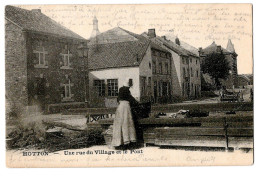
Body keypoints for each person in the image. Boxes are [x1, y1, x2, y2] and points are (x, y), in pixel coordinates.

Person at [111, 78, 139, 149]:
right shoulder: (126, 90)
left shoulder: (121, 90)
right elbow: (131, 99)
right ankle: (127, 142)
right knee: (126, 123)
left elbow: (118, 99)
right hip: (126, 108)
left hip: (120, 107)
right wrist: (137, 103)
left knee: (119, 124)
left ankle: (120, 142)